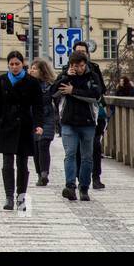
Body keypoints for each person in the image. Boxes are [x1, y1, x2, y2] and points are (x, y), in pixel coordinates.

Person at [0, 50, 44, 211]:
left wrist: (39, 124)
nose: (14, 67)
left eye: (17, 64)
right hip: (6, 125)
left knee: (22, 164)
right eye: (12, 64)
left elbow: (38, 106)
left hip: (24, 125)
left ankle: (21, 198)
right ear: (8, 65)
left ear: (23, 65)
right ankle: (9, 197)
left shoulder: (31, 82)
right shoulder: (2, 80)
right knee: (7, 163)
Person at [51, 49, 104, 201]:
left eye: (81, 65)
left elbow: (95, 96)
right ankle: (70, 186)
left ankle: (84, 187)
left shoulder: (92, 76)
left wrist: (73, 91)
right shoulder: (66, 76)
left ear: (85, 64)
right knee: (70, 154)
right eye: (76, 66)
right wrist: (66, 77)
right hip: (69, 122)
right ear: (71, 65)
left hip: (87, 122)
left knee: (87, 157)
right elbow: (54, 93)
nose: (79, 69)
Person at [75, 42, 108, 190]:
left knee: (94, 146)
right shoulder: (68, 70)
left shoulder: (94, 69)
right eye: (78, 52)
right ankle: (80, 176)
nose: (81, 55)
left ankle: (96, 177)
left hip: (94, 114)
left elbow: (101, 89)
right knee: (76, 149)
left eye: (83, 52)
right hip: (75, 116)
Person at [28, 59, 59, 186]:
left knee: (43, 144)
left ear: (42, 71)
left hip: (47, 118)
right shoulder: (27, 84)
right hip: (33, 119)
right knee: (35, 148)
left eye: (35, 68)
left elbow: (57, 101)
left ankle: (44, 173)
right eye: (31, 68)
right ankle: (40, 174)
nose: (32, 70)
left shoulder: (50, 85)